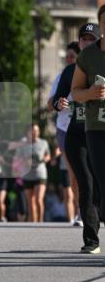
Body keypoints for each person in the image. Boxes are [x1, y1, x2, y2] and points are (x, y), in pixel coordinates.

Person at [52, 22, 101, 252]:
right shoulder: (71, 70)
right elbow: (58, 98)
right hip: (77, 132)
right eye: (83, 39)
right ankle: (91, 240)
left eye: (92, 39)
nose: (87, 43)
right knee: (86, 184)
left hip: (100, 132)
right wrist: (59, 102)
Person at [71, 4, 105, 239]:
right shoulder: (89, 55)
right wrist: (91, 94)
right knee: (101, 185)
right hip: (96, 129)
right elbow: (75, 92)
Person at [47, 42, 80, 225]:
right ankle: (81, 211)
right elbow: (49, 104)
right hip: (64, 129)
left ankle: (90, 207)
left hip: (85, 126)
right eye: (66, 56)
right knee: (73, 175)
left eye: (71, 56)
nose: (68, 59)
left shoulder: (89, 74)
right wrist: (59, 102)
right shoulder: (61, 77)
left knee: (88, 172)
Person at [11, 123, 51, 222]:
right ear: (28, 132)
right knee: (30, 202)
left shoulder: (43, 143)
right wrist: (24, 161)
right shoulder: (22, 143)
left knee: (38, 200)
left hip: (40, 174)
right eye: (32, 131)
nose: (34, 133)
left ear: (39, 132)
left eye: (36, 131)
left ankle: (40, 221)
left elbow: (48, 155)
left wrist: (44, 159)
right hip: (27, 175)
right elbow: (17, 158)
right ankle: (33, 223)